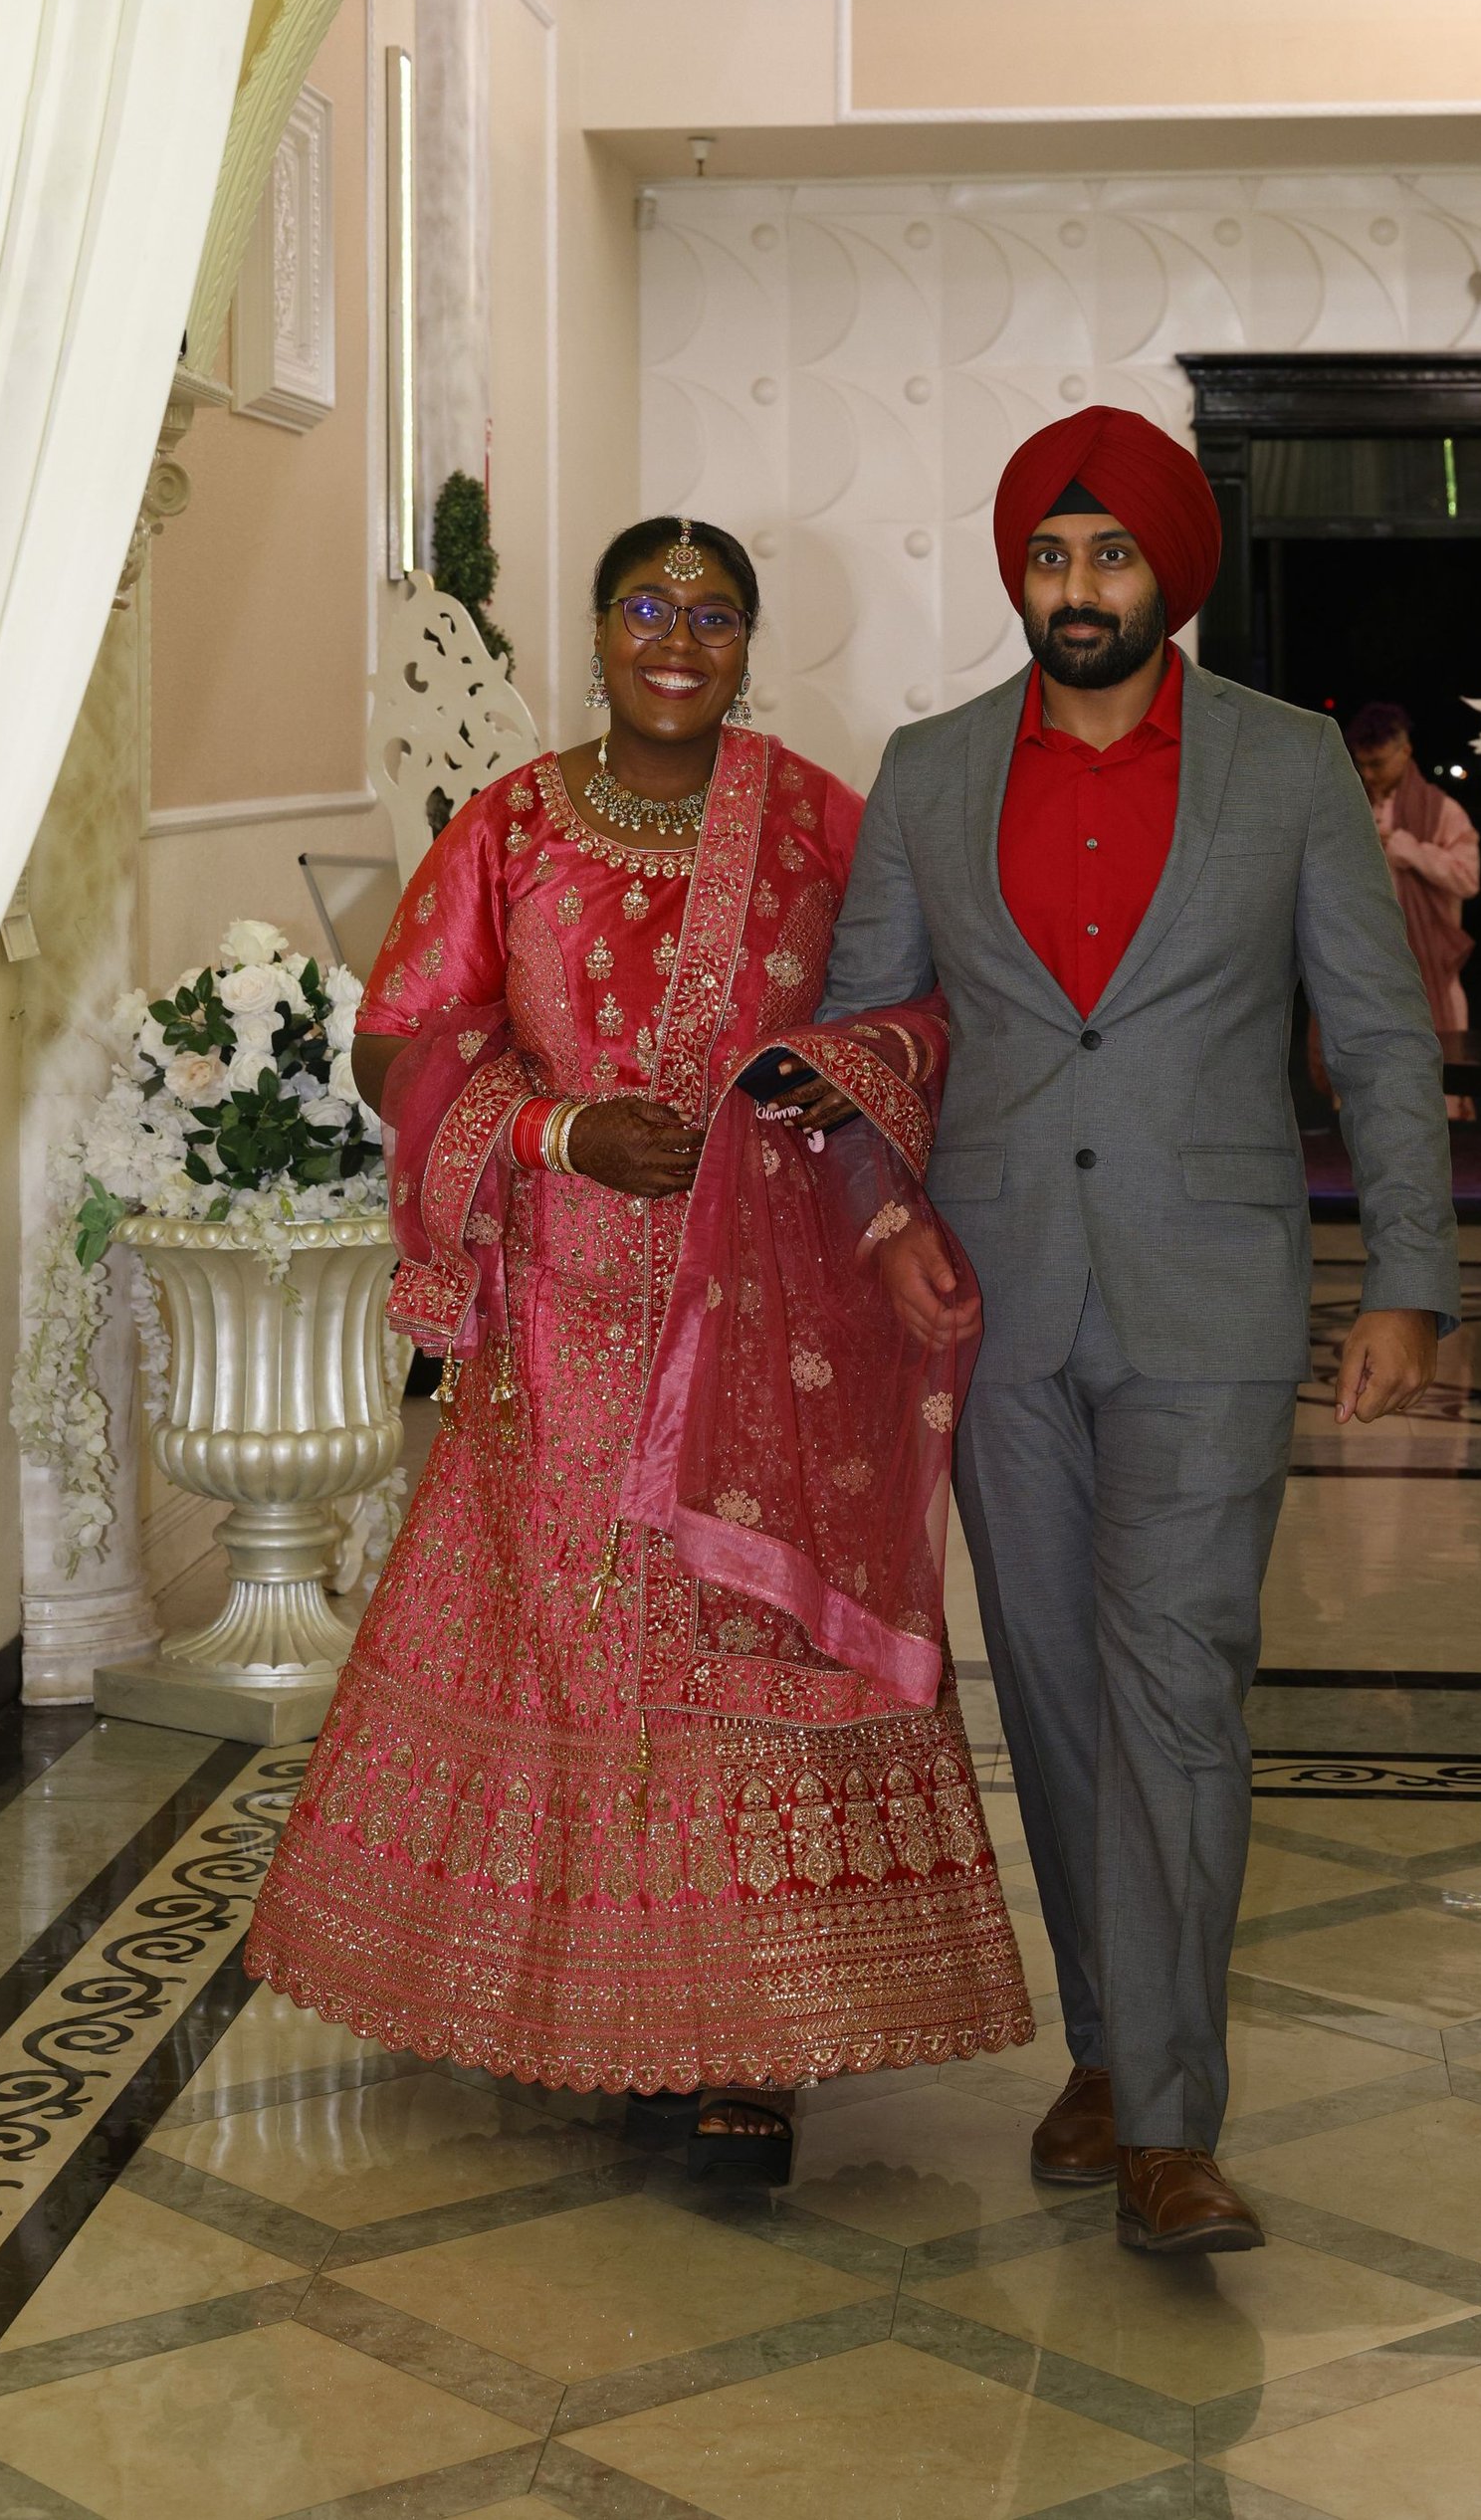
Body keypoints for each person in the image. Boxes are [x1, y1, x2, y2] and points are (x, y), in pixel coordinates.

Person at [245, 514, 1031, 2183]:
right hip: (557, 1323)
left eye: (716, 613)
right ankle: (571, 2005)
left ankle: (742, 2046)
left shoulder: (823, 822)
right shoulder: (512, 827)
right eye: (645, 607)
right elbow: (408, 1042)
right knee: (571, 1654)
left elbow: (933, 1009)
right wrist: (554, 1133)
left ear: (751, 645)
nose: (679, 636)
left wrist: (850, 1071)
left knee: (733, 1650)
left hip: (770, 1316)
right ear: (596, 632)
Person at [819, 406, 1459, 2258]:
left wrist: (1405, 1279)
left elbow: (1380, 1034)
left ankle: (1174, 2115)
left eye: (1110, 557)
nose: (1078, 589)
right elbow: (866, 1030)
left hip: (1212, 1292)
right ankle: (1104, 2046)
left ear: (1171, 574)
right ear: (1018, 571)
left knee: (1180, 1679)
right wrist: (879, 1213)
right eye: (1049, 555)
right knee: (1055, 1687)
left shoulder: (1280, 770)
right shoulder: (932, 770)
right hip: (995, 1293)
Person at [1344, 703, 1481, 1036]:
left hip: (1428, 968)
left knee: (1438, 1075)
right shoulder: (1350, 804)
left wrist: (1412, 850)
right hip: (1361, 971)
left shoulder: (1443, 812)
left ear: (1405, 751)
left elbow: (1468, 879)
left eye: (1377, 764)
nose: (1369, 775)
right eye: (1362, 765)